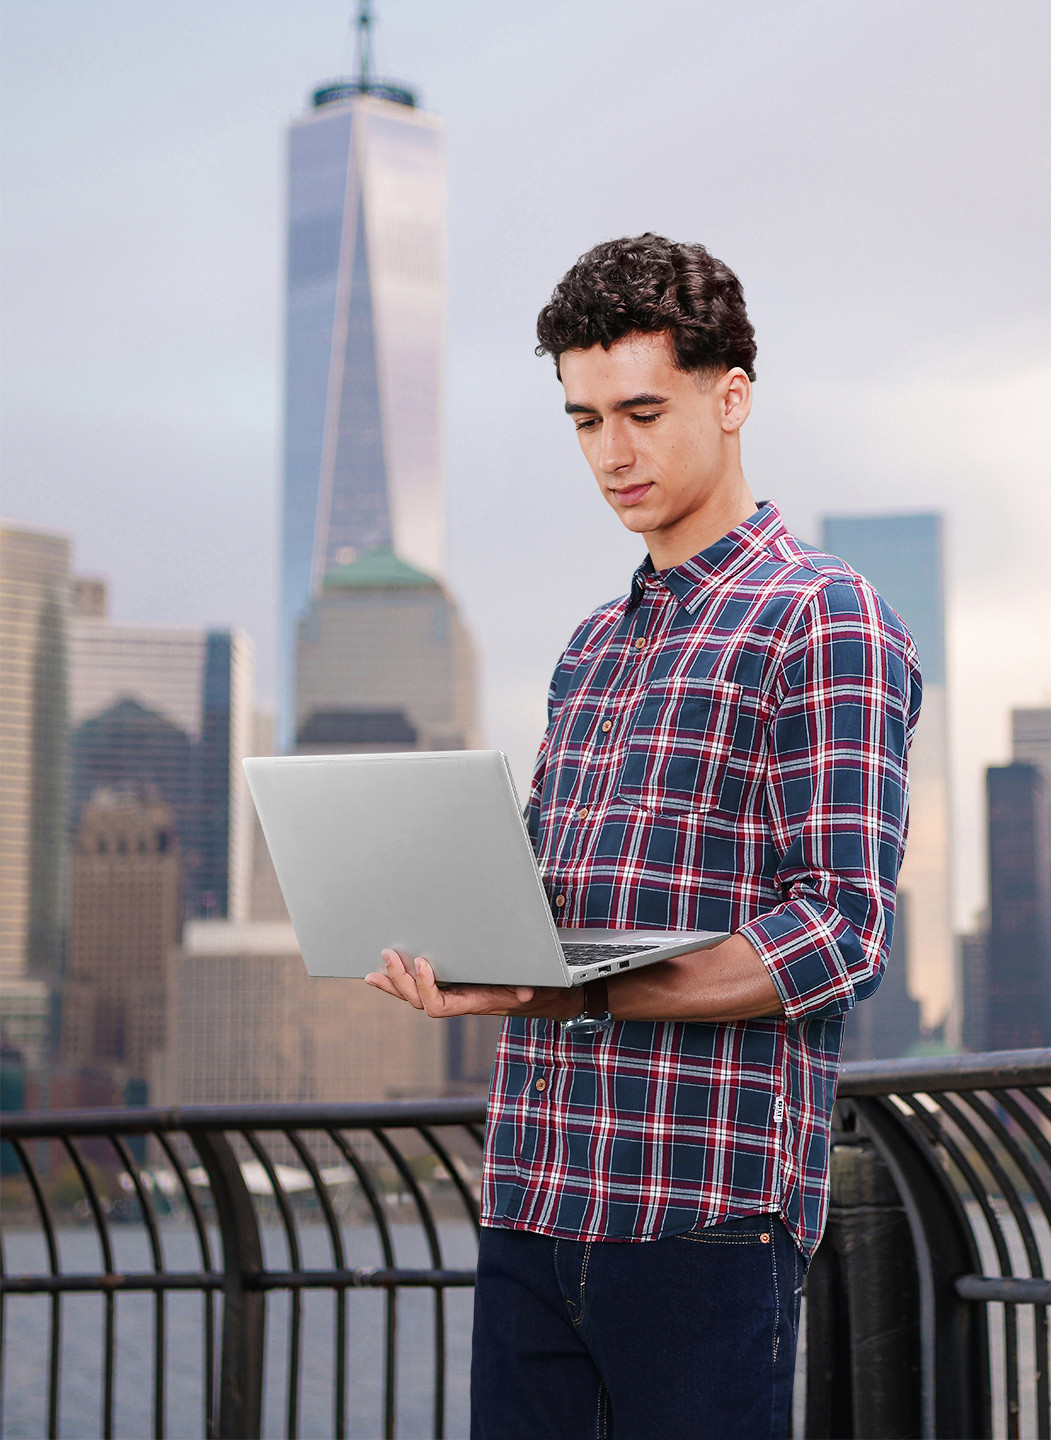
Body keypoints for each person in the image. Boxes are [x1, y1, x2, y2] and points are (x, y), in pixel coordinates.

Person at [365, 234, 921, 1439]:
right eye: (582, 420)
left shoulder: (824, 619)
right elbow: (542, 904)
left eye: (641, 410)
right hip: (532, 1196)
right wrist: (464, 947)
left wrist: (590, 999)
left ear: (732, 399)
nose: (611, 452)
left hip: (701, 1216)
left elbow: (839, 931)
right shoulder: (588, 648)